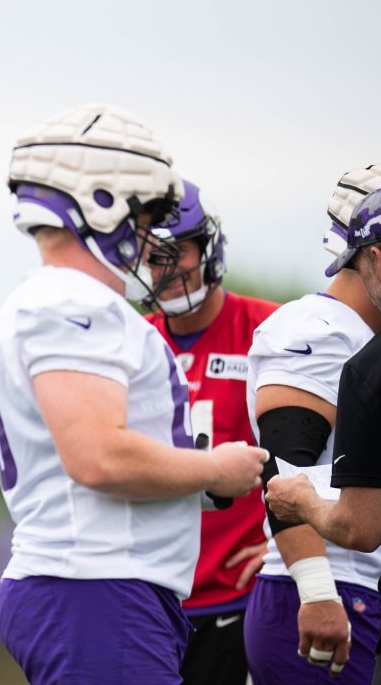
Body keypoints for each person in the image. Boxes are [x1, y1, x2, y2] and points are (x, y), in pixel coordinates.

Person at [0, 103, 267, 684]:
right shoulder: (73, 303)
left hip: (101, 587)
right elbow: (99, 456)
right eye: (143, 216)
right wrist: (212, 468)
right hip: (95, 587)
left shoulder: (61, 300)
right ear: (102, 203)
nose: (147, 238)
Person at [244, 159, 381, 685]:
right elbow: (284, 468)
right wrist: (318, 591)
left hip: (368, 590)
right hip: (331, 595)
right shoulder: (319, 328)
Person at [142, 181, 279, 685]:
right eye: (154, 258)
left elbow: (329, 451)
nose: (167, 270)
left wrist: (287, 544)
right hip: (153, 592)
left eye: (177, 252)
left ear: (209, 247)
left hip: (241, 592)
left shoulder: (270, 331)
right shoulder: (134, 342)